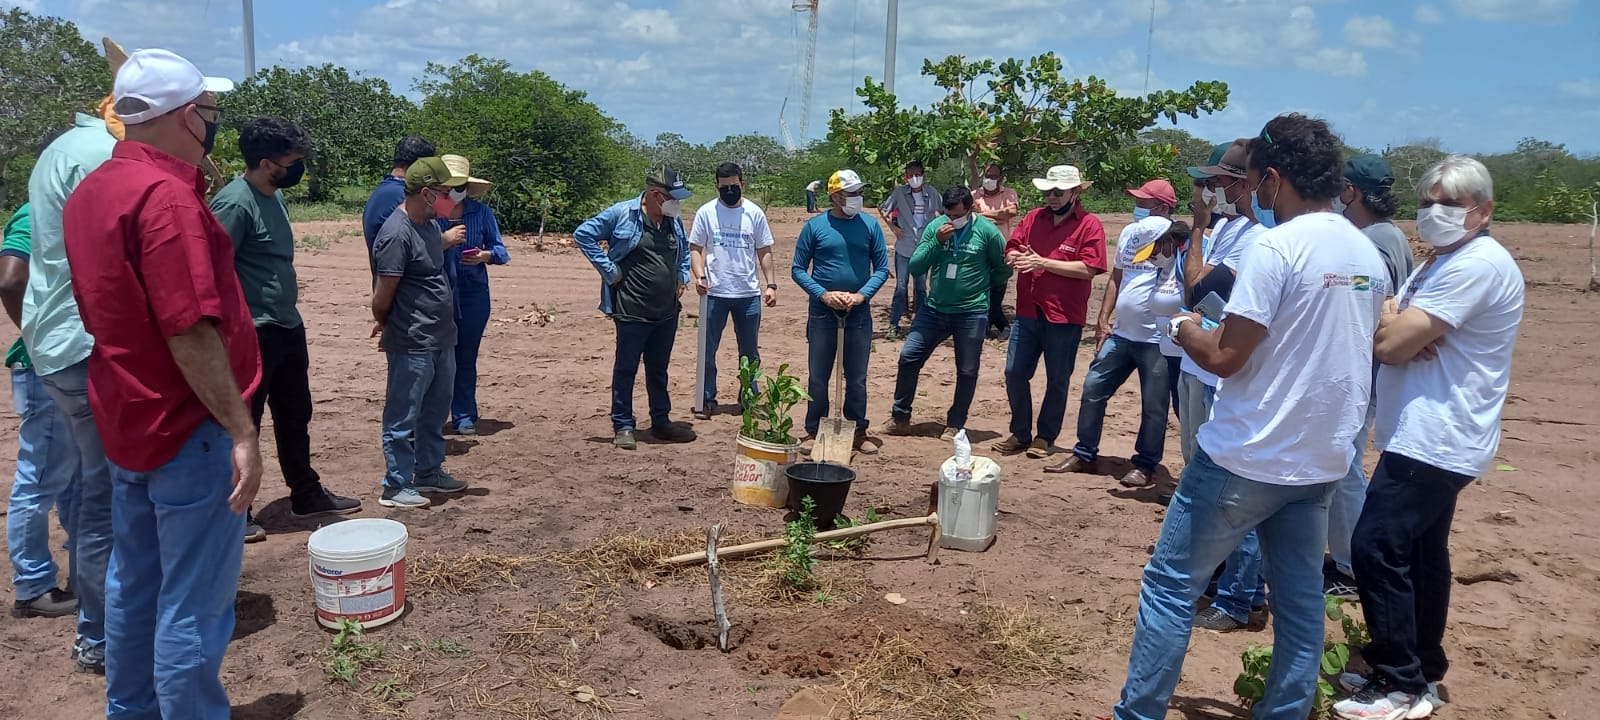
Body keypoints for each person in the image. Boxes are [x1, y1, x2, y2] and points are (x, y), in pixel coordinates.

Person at [1110, 113, 1388, 720]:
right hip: (1319, 461)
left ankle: (1138, 714)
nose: (1260, 193)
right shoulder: (1364, 252)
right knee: (1298, 603)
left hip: (1247, 455)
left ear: (1275, 177)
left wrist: (1183, 328)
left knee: (1171, 586)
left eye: (1261, 181)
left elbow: (1228, 357)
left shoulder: (1277, 248)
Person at [63, 48, 262, 716]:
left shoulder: (96, 189)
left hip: (128, 416)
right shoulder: (165, 199)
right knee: (193, 606)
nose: (213, 121)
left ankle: (133, 710)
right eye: (210, 109)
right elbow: (188, 329)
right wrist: (240, 430)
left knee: (135, 585)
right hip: (188, 427)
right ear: (187, 116)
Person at [1333, 156, 1522, 720]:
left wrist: (1398, 328)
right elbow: (1388, 323)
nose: (1434, 212)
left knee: (1374, 546)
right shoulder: (1441, 261)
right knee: (1419, 554)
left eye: (1450, 204)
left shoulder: (1478, 264)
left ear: (1483, 211)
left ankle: (1398, 680)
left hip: (1439, 434)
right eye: (1429, 201)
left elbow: (1389, 343)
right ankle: (1421, 664)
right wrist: (1397, 322)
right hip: (1423, 432)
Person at [211, 117, 361, 542]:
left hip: (286, 326)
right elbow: (212, 271)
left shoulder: (273, 197)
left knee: (296, 415)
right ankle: (237, 510)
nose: (298, 168)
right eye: (292, 161)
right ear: (266, 162)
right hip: (253, 333)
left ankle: (306, 494)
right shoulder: (234, 204)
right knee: (247, 422)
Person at [21, 93, 119, 674]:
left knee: (89, 496)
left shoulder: (65, 147)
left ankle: (95, 630)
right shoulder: (101, 156)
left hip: (57, 345)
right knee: (111, 503)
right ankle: (105, 636)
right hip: (88, 346)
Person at [1183, 141, 1271, 633]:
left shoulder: (1253, 236)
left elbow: (1198, 290)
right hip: (1199, 365)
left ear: (1242, 183)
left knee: (1231, 490)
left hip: (1220, 369)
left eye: (1217, 182)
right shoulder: (1230, 229)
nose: (1208, 191)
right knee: (1206, 481)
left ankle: (1242, 597)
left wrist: (1197, 224)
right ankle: (1219, 580)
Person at [1046, 178, 1179, 488]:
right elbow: (1118, 277)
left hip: (1155, 339)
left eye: (1144, 203)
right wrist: (1103, 318)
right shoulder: (1131, 233)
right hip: (1122, 334)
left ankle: (1145, 464)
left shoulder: (1175, 240)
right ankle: (1084, 452)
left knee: (1154, 405)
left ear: (1162, 208)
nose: (1138, 208)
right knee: (1093, 388)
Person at [1322, 153, 1415, 600]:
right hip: (1370, 371)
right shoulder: (1391, 235)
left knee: (1344, 469)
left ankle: (1351, 566)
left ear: (1350, 192)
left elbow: (1362, 310)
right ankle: (1345, 557)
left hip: (1361, 370)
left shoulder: (1373, 242)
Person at [371, 157, 473, 508]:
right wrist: (386, 323)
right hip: (412, 340)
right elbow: (382, 295)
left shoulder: (429, 226)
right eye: (448, 192)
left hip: (441, 337)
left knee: (434, 412)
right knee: (402, 416)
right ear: (427, 193)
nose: (454, 198)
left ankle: (429, 471)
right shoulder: (396, 234)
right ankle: (395, 485)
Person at [573, 165, 698, 450]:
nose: (676, 204)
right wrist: (609, 270)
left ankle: (661, 422)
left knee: (658, 369)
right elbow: (583, 234)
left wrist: (682, 276)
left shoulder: (672, 220)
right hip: (631, 309)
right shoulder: (622, 214)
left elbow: (682, 250)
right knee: (626, 368)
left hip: (666, 310)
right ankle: (623, 425)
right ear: (656, 194)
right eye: (672, 197)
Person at [992, 165, 1106, 460]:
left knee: (1058, 378)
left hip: (1064, 316)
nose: (1051, 197)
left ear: (1075, 192)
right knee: (1014, 372)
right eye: (1048, 192)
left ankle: (1045, 436)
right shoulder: (1033, 218)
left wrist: (1043, 263)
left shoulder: (1089, 225)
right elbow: (1012, 248)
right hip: (1028, 311)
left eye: (1058, 192)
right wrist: (1015, 256)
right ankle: (1020, 432)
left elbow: (1088, 268)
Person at [2, 203, 81, 620]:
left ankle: (83, 573)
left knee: (75, 477)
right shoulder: (39, 213)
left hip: (67, 366)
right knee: (40, 480)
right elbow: (11, 282)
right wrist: (46, 346)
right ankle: (33, 587)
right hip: (47, 369)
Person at [883, 186, 1011, 440]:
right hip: (934, 309)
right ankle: (900, 417)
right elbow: (917, 267)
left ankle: (955, 422)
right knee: (909, 357)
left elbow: (1002, 270)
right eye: (948, 214)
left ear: (971, 209)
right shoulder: (936, 228)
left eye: (957, 216)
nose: (951, 220)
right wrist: (936, 242)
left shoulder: (988, 232)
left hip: (971, 312)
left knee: (967, 369)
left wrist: (981, 292)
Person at [792, 169, 890, 452]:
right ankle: (815, 429)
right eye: (852, 193)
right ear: (835, 196)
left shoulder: (870, 226)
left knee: (857, 376)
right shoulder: (815, 227)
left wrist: (862, 296)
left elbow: (882, 268)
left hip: (858, 313)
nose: (858, 198)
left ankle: (858, 429)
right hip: (822, 313)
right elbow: (798, 269)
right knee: (818, 375)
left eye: (860, 193)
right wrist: (823, 294)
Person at [689, 162, 778, 419]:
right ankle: (705, 399)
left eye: (734, 186)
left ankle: (749, 397)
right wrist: (700, 276)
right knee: (708, 349)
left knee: (750, 352)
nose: (730, 190)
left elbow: (764, 250)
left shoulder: (754, 213)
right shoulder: (706, 212)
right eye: (724, 186)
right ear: (717, 185)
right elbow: (695, 248)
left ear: (742, 184)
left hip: (747, 294)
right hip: (714, 293)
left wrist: (771, 284)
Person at [436, 154, 509, 437]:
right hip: (438, 292)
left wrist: (485, 256)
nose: (454, 191)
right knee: (440, 357)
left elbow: (502, 252)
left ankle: (464, 415)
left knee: (466, 356)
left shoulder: (481, 214)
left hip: (473, 293)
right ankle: (435, 415)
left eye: (460, 185)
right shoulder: (431, 214)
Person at [878, 161, 940, 335]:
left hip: (923, 246)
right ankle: (894, 324)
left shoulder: (932, 193)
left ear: (923, 175)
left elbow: (943, 211)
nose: (914, 178)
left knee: (921, 287)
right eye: (911, 175)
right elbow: (883, 209)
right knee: (901, 286)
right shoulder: (899, 193)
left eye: (918, 175)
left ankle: (920, 322)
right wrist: (893, 228)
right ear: (906, 177)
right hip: (904, 246)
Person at [363, 135, 437, 278]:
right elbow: (424, 244)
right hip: (405, 291)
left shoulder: (382, 192)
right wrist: (449, 238)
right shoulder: (404, 196)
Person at [972, 162, 1021, 338]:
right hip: (979, 250)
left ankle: (998, 325)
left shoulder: (1009, 193)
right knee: (981, 289)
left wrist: (982, 216)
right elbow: (968, 216)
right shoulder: (974, 195)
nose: (990, 179)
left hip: (1002, 249)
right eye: (987, 175)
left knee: (998, 289)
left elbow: (1011, 212)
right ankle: (997, 326)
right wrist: (998, 216)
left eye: (994, 176)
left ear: (1000, 178)